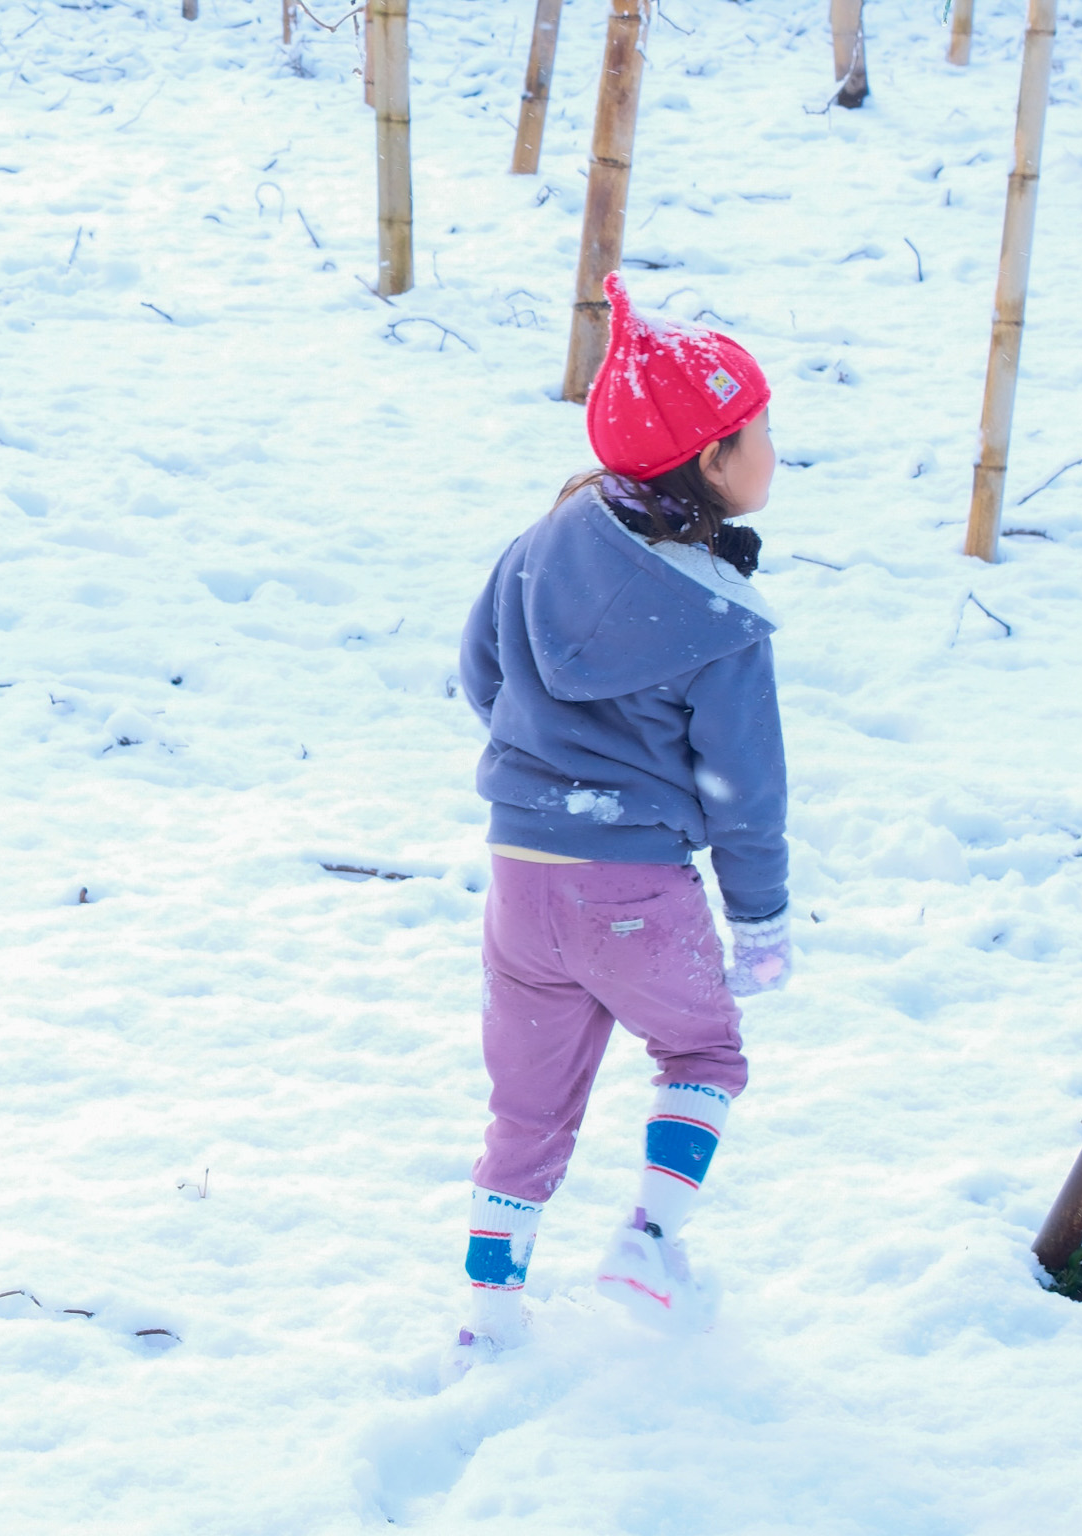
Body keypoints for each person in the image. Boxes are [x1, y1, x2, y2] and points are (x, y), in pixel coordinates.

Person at [447, 272, 792, 1377]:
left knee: (527, 1104)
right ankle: (647, 1239)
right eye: (754, 432)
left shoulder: (541, 543)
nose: (769, 449)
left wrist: (542, 760)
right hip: (634, 886)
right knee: (700, 1051)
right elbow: (746, 788)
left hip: (520, 877)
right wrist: (761, 918)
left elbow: (478, 670)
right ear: (708, 464)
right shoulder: (720, 621)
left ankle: (486, 1320)